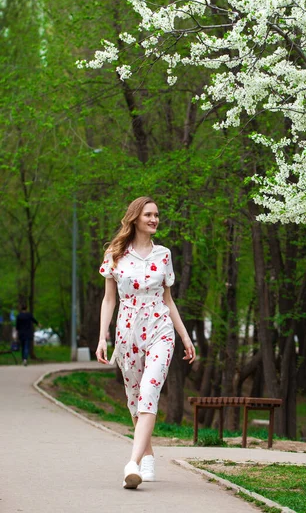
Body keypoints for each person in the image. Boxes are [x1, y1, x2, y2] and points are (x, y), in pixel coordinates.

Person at [96, 196, 196, 489]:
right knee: (135, 399)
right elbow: (109, 299)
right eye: (149, 215)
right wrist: (103, 338)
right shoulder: (115, 254)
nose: (154, 219)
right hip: (127, 335)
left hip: (159, 329)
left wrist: (184, 336)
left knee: (150, 390)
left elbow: (168, 300)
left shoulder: (163, 254)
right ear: (135, 218)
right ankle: (148, 454)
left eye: (157, 215)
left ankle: (132, 462)